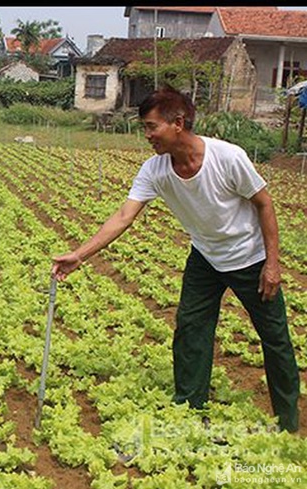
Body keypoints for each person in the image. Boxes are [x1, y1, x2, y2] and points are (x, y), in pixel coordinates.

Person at [51, 84, 300, 433]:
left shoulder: (228, 157)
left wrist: (272, 264)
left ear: (178, 123)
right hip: (205, 257)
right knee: (191, 331)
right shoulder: (155, 170)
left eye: (152, 127)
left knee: (274, 338)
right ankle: (190, 408)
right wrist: (80, 255)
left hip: (249, 257)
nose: (147, 136)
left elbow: (265, 203)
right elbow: (124, 216)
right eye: (145, 128)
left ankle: (287, 423)